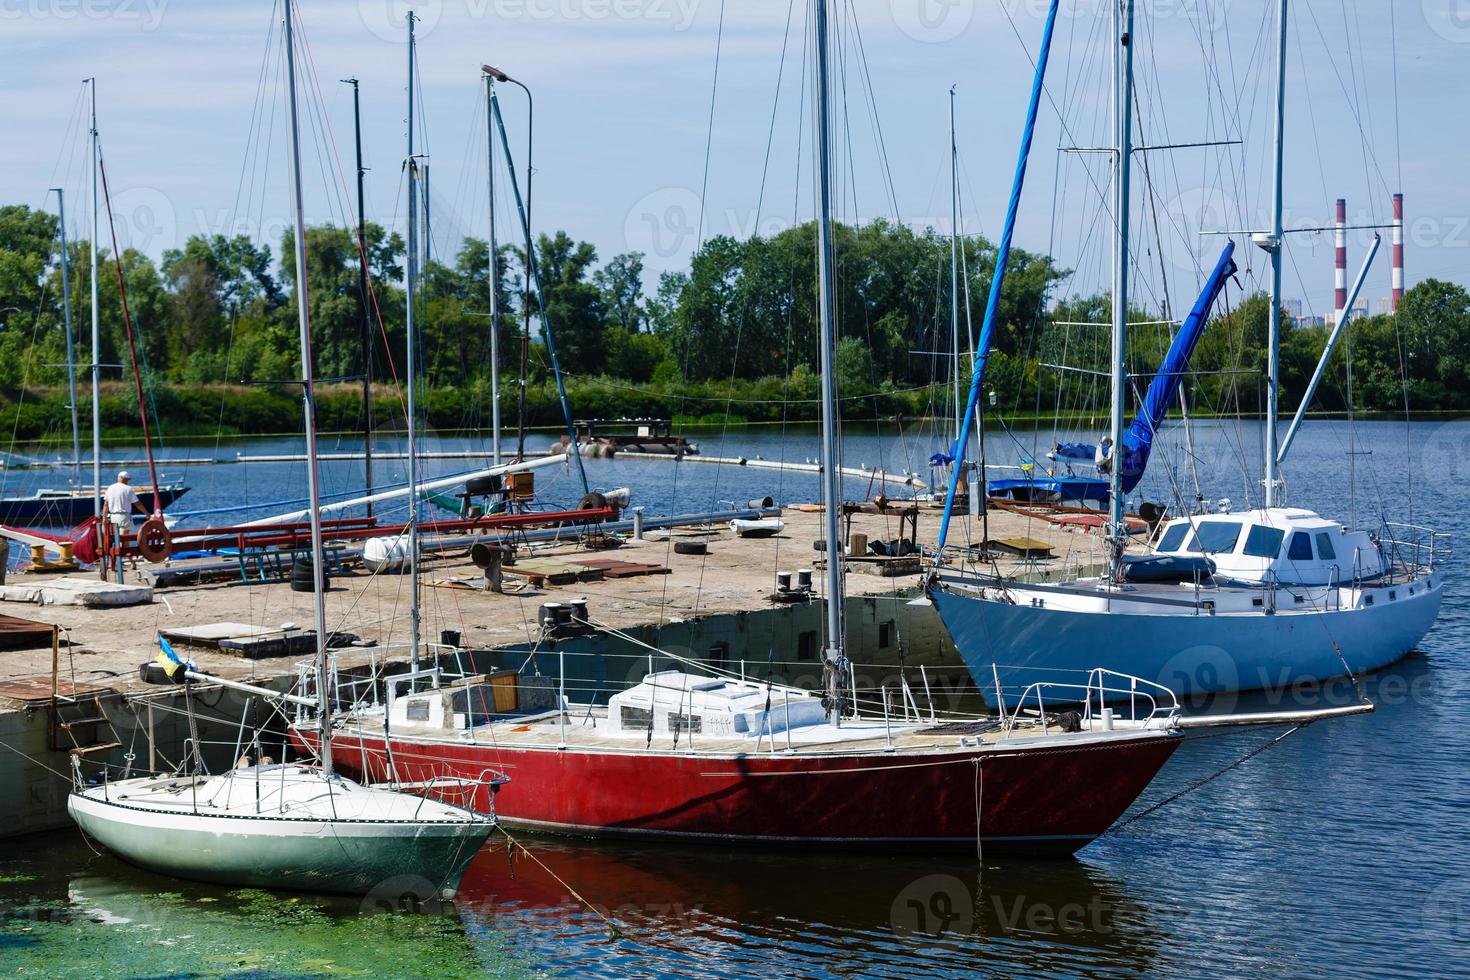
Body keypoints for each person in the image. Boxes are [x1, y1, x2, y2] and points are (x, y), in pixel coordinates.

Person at [102, 471, 149, 578]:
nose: (127, 481)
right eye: (127, 479)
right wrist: (146, 513)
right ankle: (119, 565)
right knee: (123, 542)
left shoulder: (110, 488)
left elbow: (106, 505)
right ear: (124, 479)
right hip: (124, 516)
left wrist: (104, 517)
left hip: (112, 516)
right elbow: (137, 504)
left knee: (115, 541)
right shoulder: (128, 489)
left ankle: (124, 564)